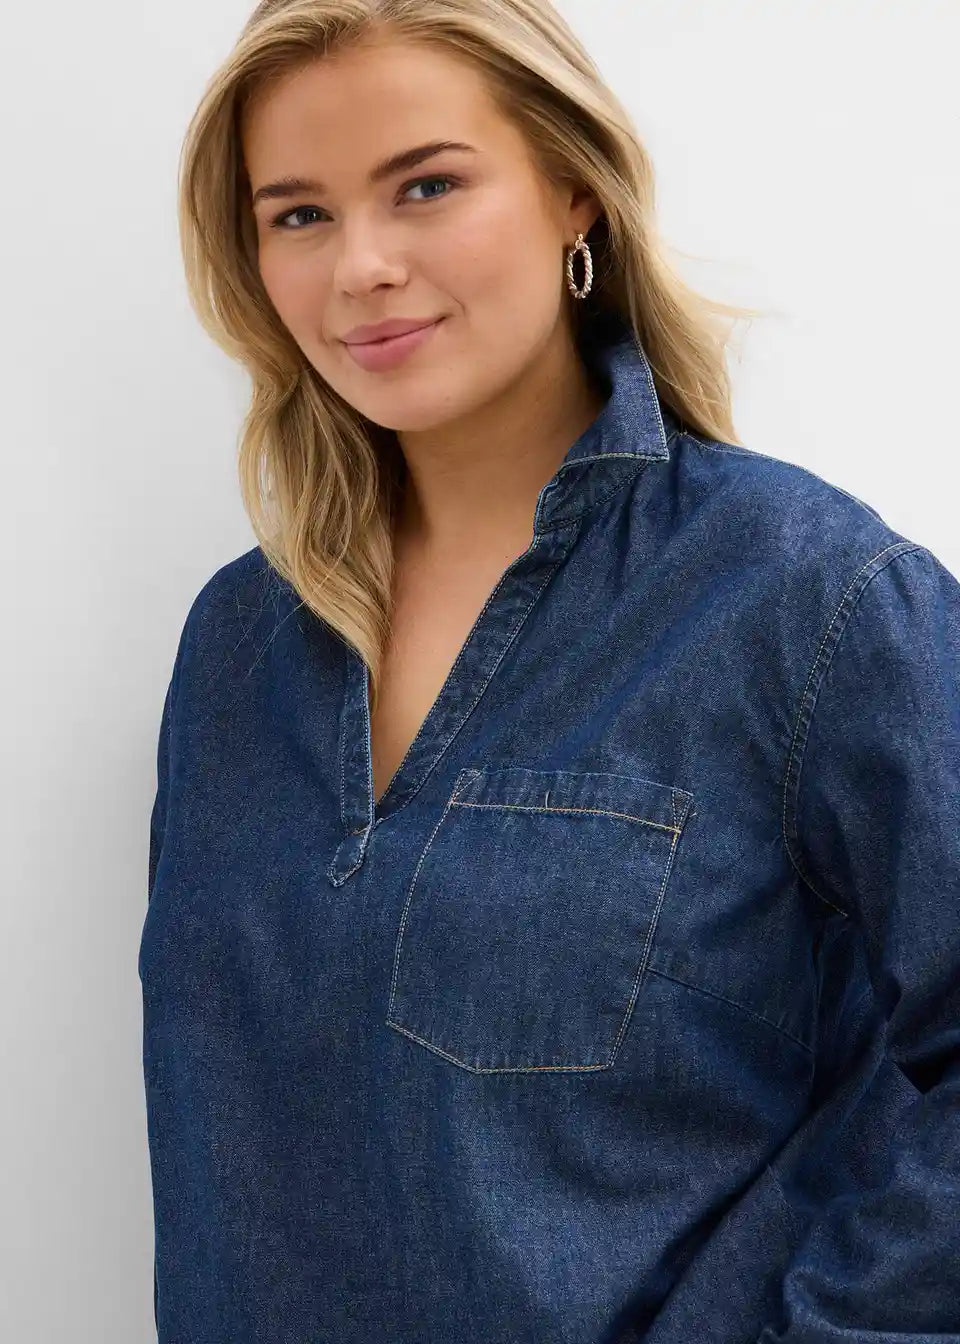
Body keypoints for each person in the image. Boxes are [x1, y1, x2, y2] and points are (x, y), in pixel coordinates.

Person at [138, 1, 960, 1341]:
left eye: (426, 186)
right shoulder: (237, 646)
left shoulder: (805, 596)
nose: (362, 267)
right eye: (299, 214)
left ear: (574, 189)